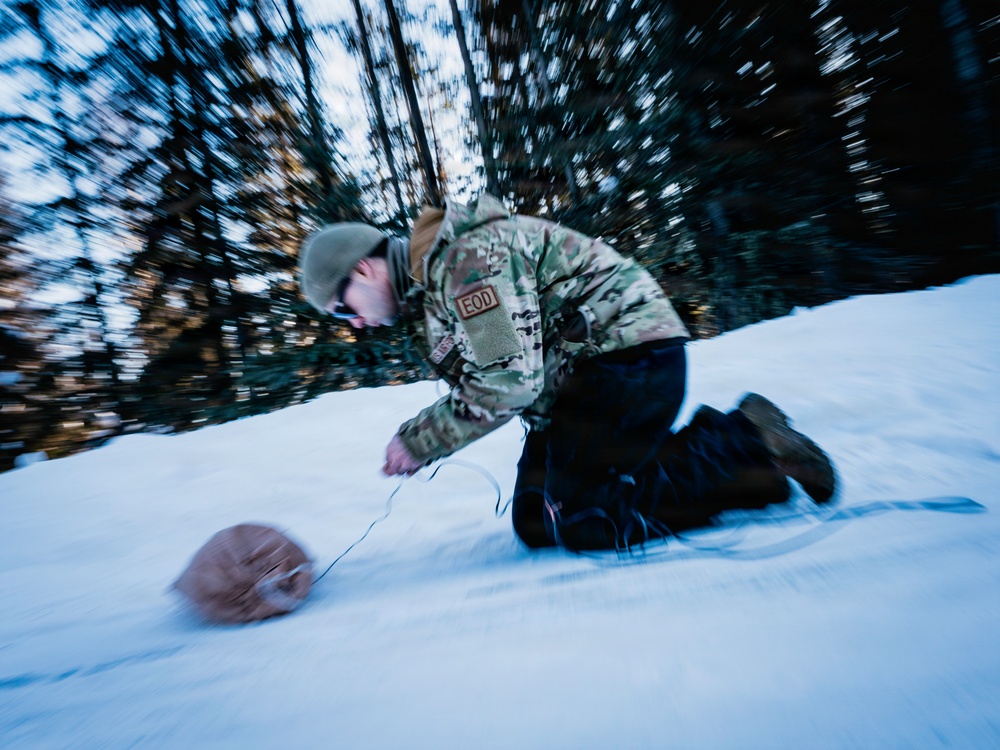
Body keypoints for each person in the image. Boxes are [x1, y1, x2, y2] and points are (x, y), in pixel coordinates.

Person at [299, 195, 835, 552]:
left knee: (584, 520)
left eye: (345, 309)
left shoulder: (464, 263)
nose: (357, 325)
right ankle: (726, 458)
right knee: (537, 521)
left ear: (364, 268)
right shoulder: (430, 291)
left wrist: (420, 441)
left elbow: (507, 381)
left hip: (629, 359)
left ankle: (748, 445)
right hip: (584, 386)